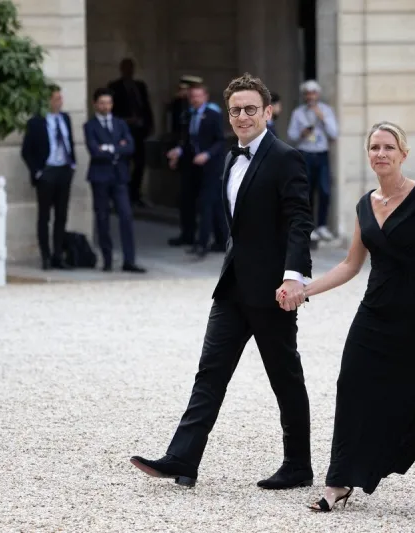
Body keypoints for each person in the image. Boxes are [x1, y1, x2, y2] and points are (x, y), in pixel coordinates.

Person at [131, 72, 316, 489]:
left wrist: (293, 278)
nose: (243, 116)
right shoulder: (232, 158)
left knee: (285, 377)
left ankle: (298, 466)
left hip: (273, 290)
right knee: (209, 373)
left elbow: (299, 221)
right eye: (236, 110)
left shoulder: (286, 158)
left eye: (251, 109)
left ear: (267, 112)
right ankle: (182, 459)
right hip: (232, 286)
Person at [286, 121, 415, 512]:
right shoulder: (364, 204)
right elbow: (352, 265)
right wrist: (305, 290)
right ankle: (339, 482)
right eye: (374, 147)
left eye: (388, 147)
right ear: (368, 155)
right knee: (350, 386)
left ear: (403, 153)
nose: (381, 154)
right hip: (373, 312)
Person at [83, 87, 146, 273]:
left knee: (126, 217)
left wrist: (108, 149)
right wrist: (117, 148)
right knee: (102, 218)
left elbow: (130, 147)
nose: (106, 106)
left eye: (108, 103)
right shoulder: (90, 126)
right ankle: (107, 260)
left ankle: (129, 260)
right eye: (102, 103)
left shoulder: (120, 124)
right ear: (95, 104)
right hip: (100, 177)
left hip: (119, 176)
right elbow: (95, 151)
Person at [165, 82, 227, 257]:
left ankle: (203, 242)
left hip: (211, 165)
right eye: (192, 96)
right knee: (188, 200)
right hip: (191, 165)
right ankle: (192, 235)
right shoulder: (188, 115)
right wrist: (177, 152)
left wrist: (207, 154)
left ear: (205, 97)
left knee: (206, 203)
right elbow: (186, 140)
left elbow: (220, 141)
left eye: (198, 96)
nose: (195, 100)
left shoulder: (213, 115)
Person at [21, 84, 77, 271]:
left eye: (60, 98)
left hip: (64, 169)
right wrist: (37, 171)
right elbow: (26, 151)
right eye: (55, 99)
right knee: (44, 216)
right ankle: (45, 256)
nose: (59, 102)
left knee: (61, 215)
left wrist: (72, 165)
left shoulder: (66, 119)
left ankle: (58, 255)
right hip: (47, 171)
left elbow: (70, 142)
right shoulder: (36, 122)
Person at [286, 80, 338, 243]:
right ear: (304, 96)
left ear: (318, 95)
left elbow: (334, 133)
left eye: (313, 93)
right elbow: (291, 136)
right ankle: (309, 227)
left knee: (324, 190)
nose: (311, 97)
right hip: (305, 154)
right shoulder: (298, 113)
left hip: (321, 154)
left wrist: (322, 117)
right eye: (308, 94)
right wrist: (301, 133)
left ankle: (322, 225)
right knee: (306, 191)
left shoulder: (326, 111)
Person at [107, 58, 154, 208]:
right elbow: (112, 112)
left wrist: (149, 124)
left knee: (140, 163)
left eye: (131, 67)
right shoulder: (114, 87)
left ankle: (135, 193)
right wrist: (126, 120)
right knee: (124, 164)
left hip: (139, 131)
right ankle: (123, 195)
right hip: (124, 131)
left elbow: (146, 107)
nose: (129, 70)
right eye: (126, 68)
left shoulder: (140, 86)